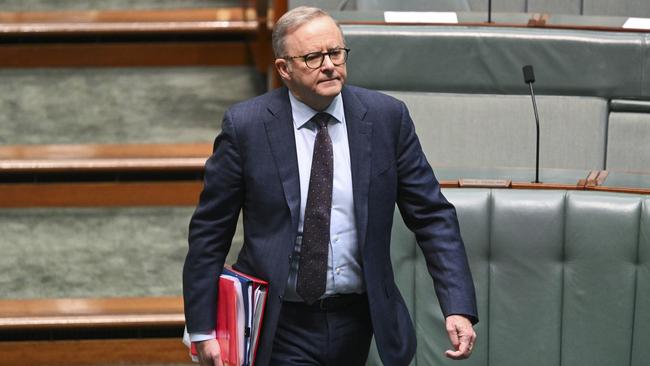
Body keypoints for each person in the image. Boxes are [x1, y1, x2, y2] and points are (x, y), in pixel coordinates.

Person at [183, 6, 478, 366]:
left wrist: (457, 306)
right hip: (280, 321)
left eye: (335, 53)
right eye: (312, 57)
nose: (329, 65)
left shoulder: (386, 118)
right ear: (283, 69)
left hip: (360, 318)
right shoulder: (247, 126)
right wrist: (202, 327)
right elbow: (210, 231)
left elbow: (432, 216)